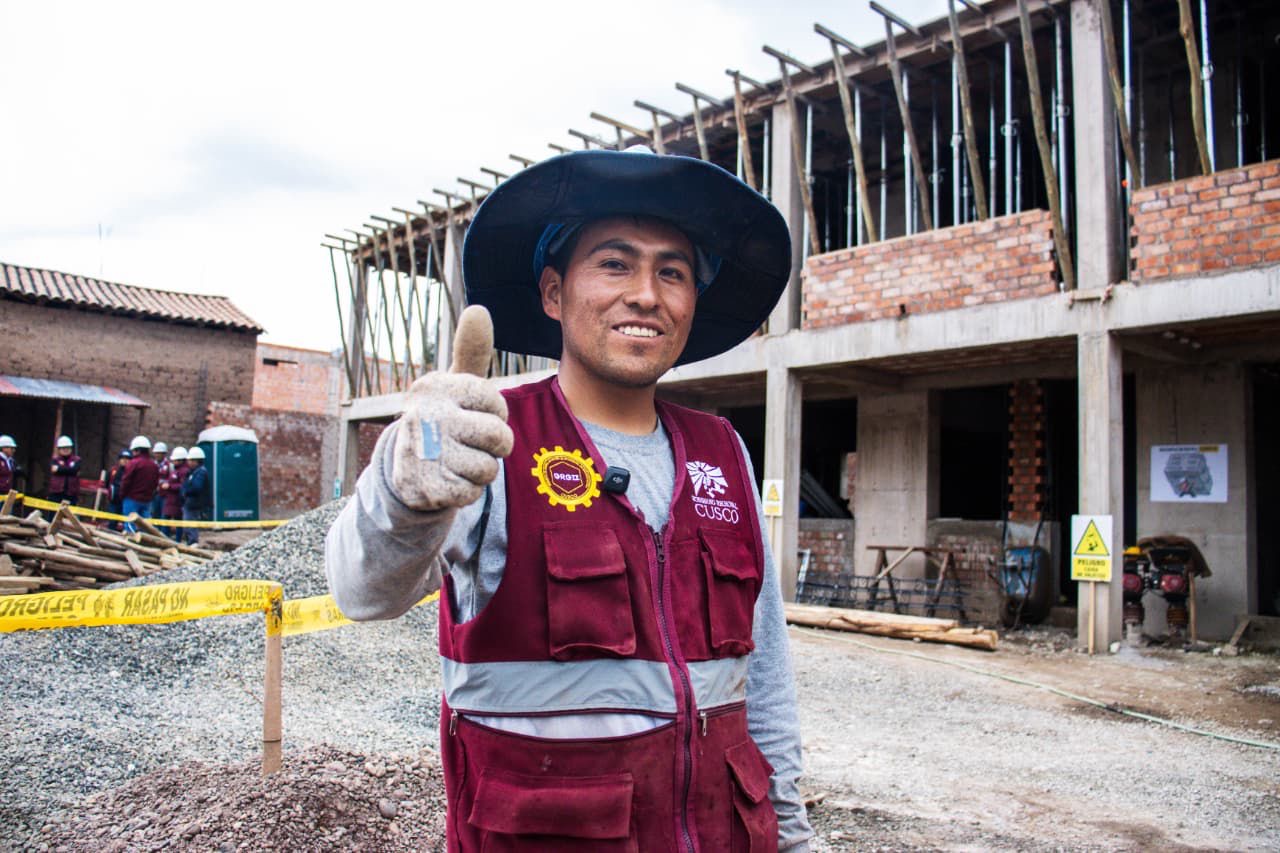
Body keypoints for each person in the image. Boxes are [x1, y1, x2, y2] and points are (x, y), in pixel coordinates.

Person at [327, 147, 812, 851]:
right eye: (615, 263)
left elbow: (762, 680)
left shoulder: (723, 452)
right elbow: (360, 588)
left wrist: (791, 835)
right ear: (553, 293)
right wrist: (404, 484)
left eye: (671, 272)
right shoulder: (487, 437)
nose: (646, 293)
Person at [120, 435, 159, 533]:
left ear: (137, 451)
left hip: (132, 499)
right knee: (146, 525)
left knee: (130, 526)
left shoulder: (134, 463)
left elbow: (126, 481)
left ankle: (130, 543)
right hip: (147, 500)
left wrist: (122, 494)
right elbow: (155, 482)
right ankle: (145, 542)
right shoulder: (154, 465)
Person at [180, 446, 210, 545]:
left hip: (194, 503)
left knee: (191, 524)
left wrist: (186, 491)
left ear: (196, 461)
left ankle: (193, 542)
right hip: (190, 503)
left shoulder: (200, 472)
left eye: (190, 460)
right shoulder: (193, 472)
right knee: (188, 524)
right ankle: (190, 541)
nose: (188, 463)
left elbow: (197, 487)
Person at [47, 436, 82, 506]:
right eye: (63, 448)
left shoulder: (77, 460)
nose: (66, 450)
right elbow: (54, 469)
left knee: (69, 515)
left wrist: (60, 469)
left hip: (71, 494)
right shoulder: (55, 460)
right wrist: (70, 470)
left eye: (68, 447)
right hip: (56, 493)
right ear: (59, 449)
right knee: (52, 515)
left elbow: (75, 470)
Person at [160, 446, 188, 523]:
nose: (173, 462)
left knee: (177, 521)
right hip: (170, 500)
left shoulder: (184, 471)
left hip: (177, 501)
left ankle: (178, 535)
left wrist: (170, 486)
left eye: (175, 460)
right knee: (165, 520)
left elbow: (183, 485)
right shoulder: (175, 470)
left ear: (181, 460)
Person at [106, 448, 131, 531]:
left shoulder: (131, 471)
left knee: (126, 523)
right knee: (112, 522)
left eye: (127, 459)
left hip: (126, 501)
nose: (125, 461)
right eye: (123, 458)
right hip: (114, 501)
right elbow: (107, 483)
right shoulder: (113, 470)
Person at [149, 442, 170, 519]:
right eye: (156, 453)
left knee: (163, 515)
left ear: (164, 454)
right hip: (153, 494)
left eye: (159, 453)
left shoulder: (169, 466)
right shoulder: (152, 465)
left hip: (164, 495)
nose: (157, 455)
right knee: (153, 514)